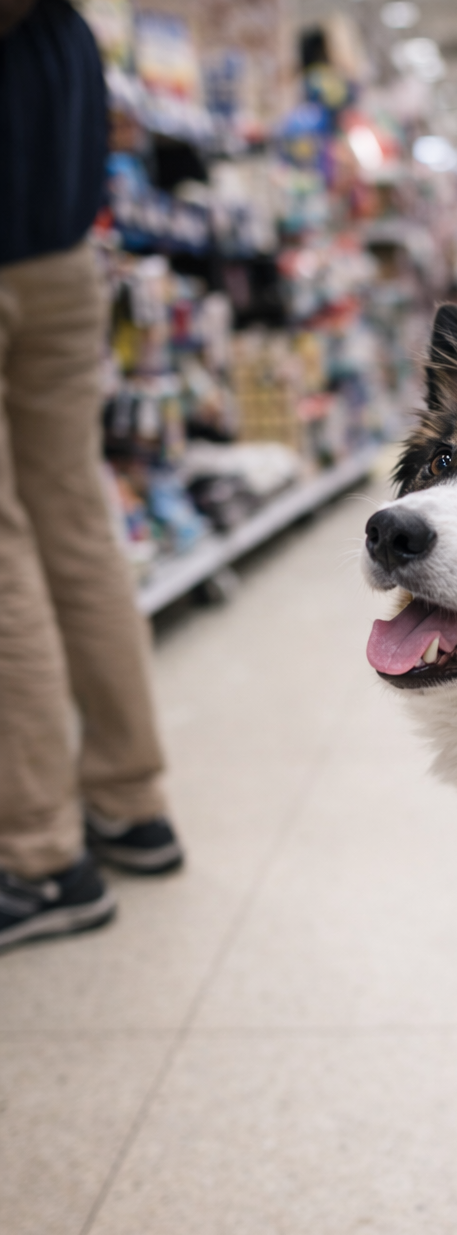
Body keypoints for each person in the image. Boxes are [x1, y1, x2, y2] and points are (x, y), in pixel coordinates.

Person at [0, 0, 184, 955]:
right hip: (65, 257)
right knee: (74, 522)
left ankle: (38, 855)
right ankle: (128, 800)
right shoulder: (61, 30)